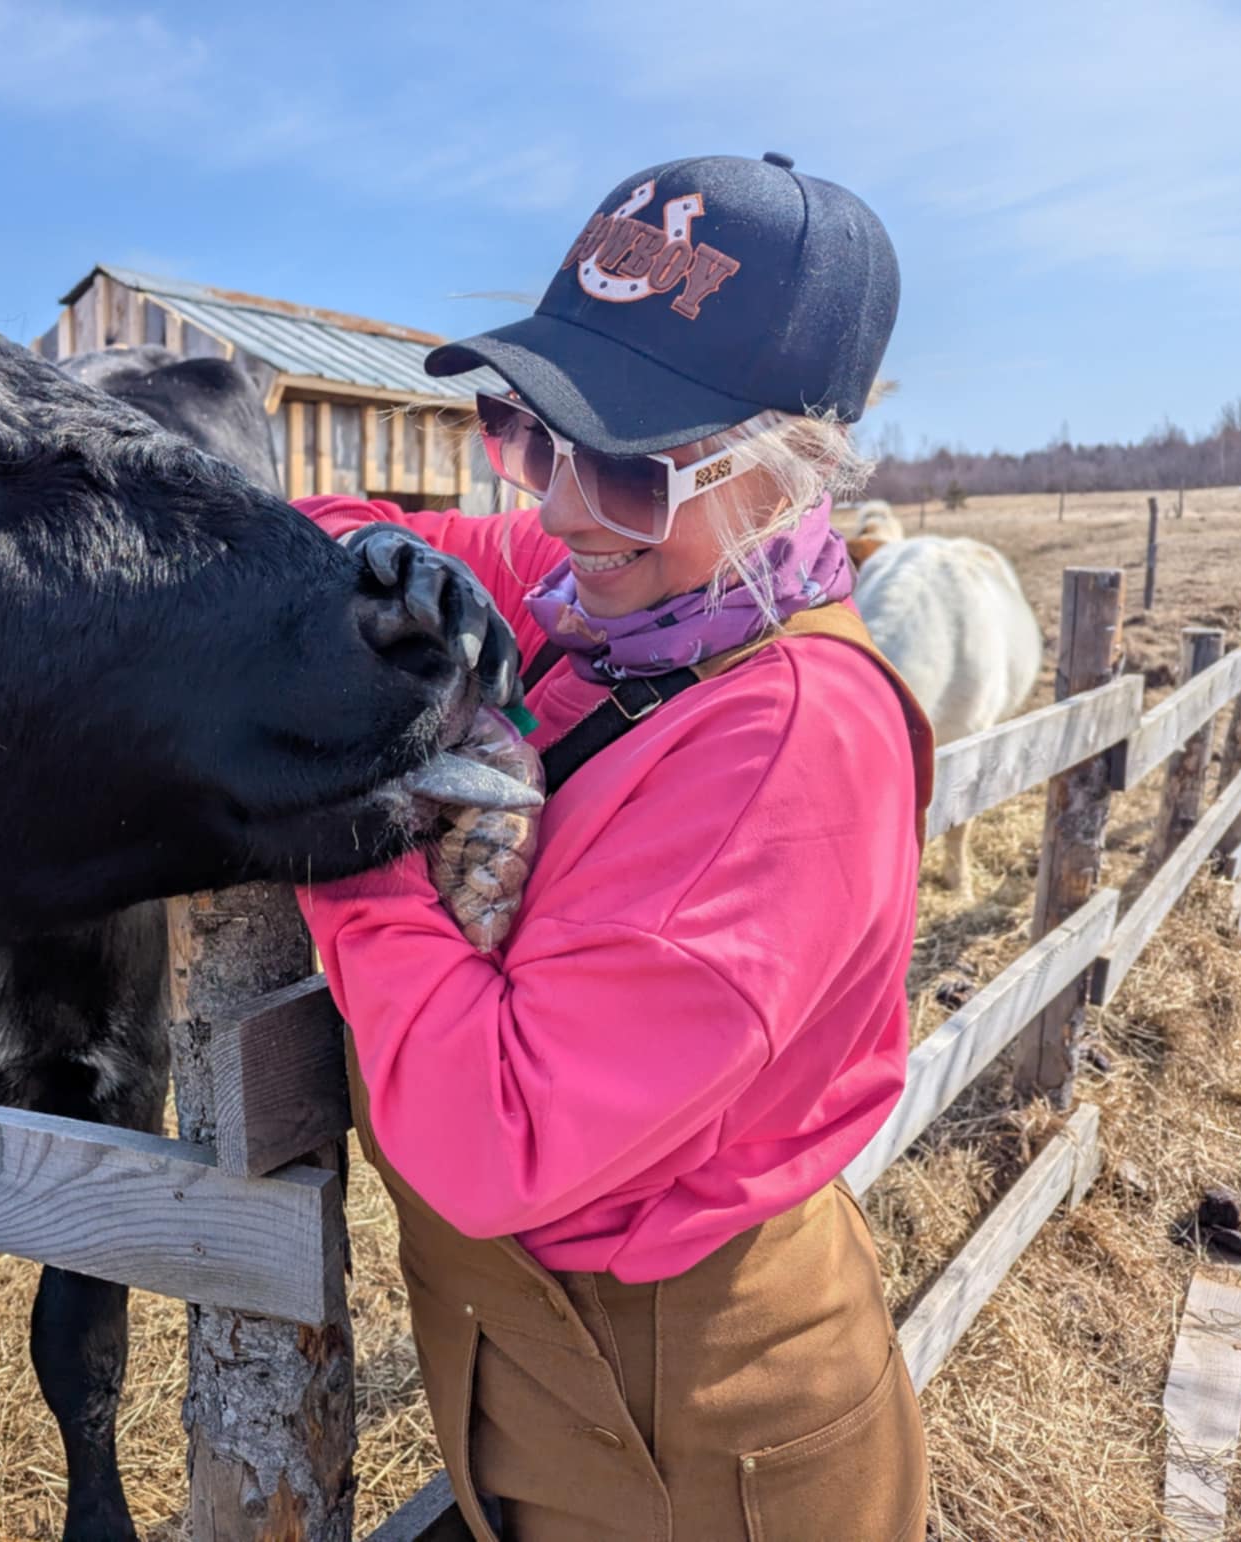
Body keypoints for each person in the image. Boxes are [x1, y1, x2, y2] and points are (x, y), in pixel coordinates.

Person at [295, 154, 936, 1541]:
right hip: (561, 1382)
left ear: (792, 474)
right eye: (530, 434)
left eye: (632, 464)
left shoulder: (789, 741)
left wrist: (344, 826)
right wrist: (368, 578)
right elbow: (340, 534)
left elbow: (488, 1130)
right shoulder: (619, 591)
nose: (561, 507)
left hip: (699, 1457)